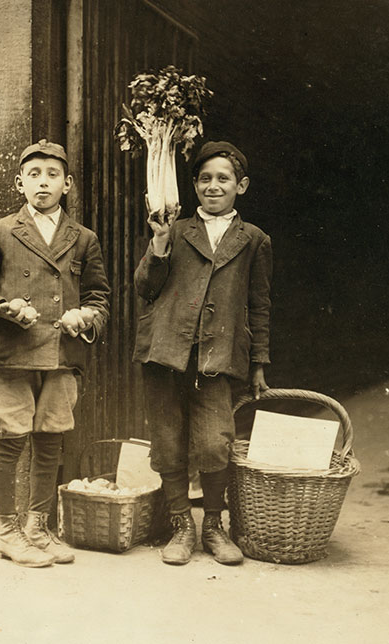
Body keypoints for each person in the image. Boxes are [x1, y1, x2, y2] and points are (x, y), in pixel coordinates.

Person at [133, 140, 271, 566]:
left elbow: (259, 304)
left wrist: (259, 362)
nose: (214, 186)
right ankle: (181, 524)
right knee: (168, 443)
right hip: (167, 353)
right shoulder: (173, 231)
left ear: (241, 186)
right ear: (194, 185)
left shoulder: (254, 241)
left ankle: (213, 525)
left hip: (218, 357)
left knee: (215, 443)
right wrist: (158, 245)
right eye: (205, 179)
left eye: (223, 179)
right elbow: (145, 288)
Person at [0, 139, 110, 567]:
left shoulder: (83, 238)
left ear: (67, 184)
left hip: (61, 356)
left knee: (50, 443)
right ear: (20, 182)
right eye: (34, 175)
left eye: (53, 175)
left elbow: (100, 298)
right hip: (15, 356)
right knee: (12, 440)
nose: (43, 183)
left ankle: (38, 526)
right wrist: (3, 307)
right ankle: (6, 529)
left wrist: (85, 317)